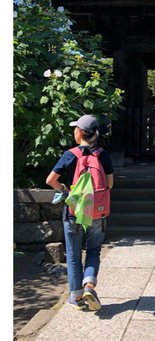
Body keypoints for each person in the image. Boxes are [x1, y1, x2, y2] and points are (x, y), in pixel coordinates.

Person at [44, 114, 114, 312]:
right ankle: (89, 286)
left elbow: (50, 180)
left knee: (74, 255)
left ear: (80, 132)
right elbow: (109, 185)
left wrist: (66, 191)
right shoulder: (103, 155)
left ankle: (76, 297)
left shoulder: (70, 154)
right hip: (97, 213)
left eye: (75, 129)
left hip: (74, 211)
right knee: (93, 250)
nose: (74, 131)